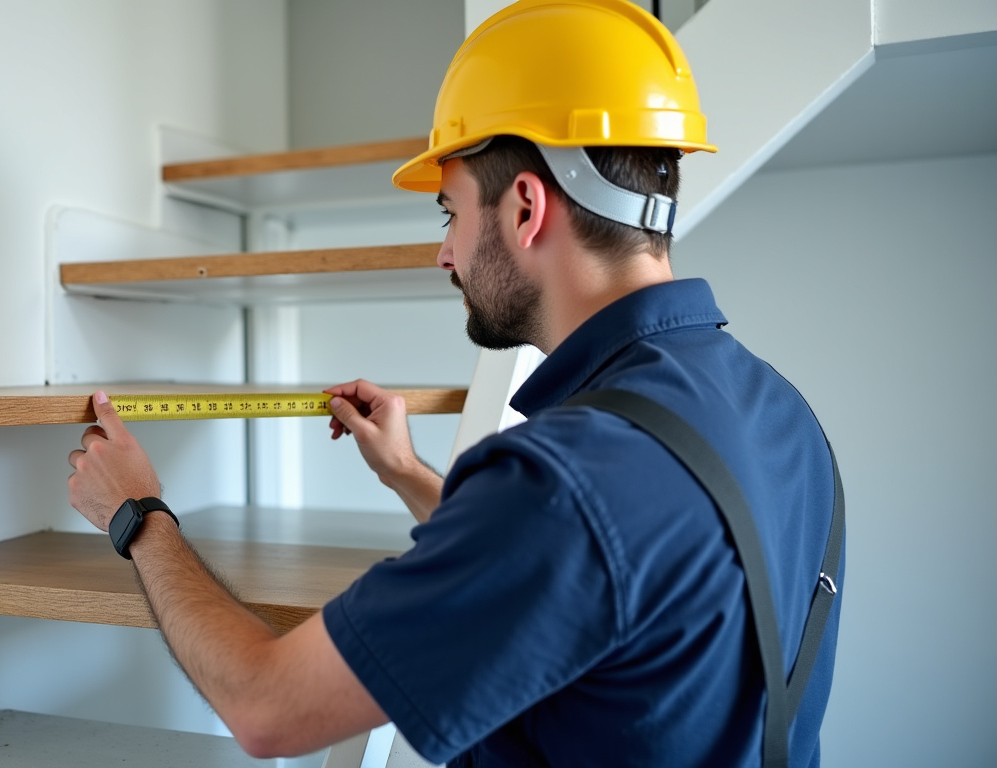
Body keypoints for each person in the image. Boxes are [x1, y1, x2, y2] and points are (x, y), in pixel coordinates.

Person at [66, 0, 844, 765]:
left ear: (526, 207)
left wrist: (139, 515)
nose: (444, 254)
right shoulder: (778, 413)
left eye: (450, 213)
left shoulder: (567, 482)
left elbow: (266, 708)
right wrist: (408, 474)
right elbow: (583, 575)